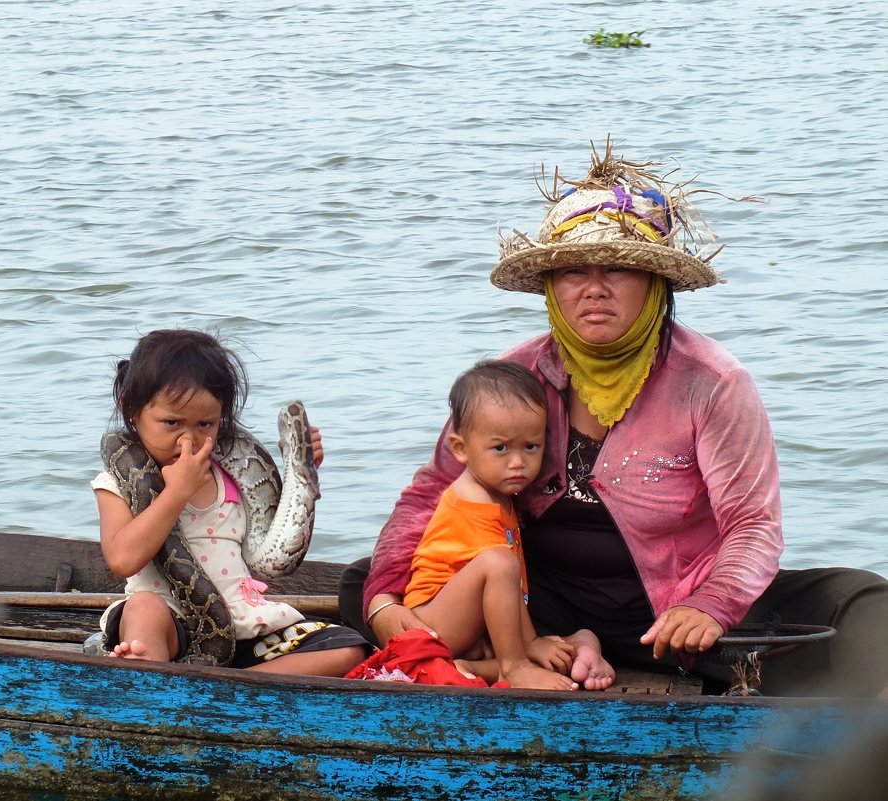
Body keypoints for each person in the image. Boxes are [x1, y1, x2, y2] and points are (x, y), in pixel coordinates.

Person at [340, 140, 888, 696]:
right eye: (574, 271)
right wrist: (384, 599)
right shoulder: (517, 374)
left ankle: (576, 652)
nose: (594, 289)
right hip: (536, 599)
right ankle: (554, 647)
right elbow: (432, 494)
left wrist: (711, 606)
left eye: (618, 270)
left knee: (861, 599)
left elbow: (753, 525)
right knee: (361, 578)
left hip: (671, 612)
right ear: (551, 289)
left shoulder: (713, 383)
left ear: (656, 286)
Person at [94, 328, 369, 674]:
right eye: (171, 422)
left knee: (350, 649)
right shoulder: (115, 483)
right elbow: (123, 559)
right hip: (170, 622)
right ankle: (160, 674)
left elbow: (268, 549)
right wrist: (176, 492)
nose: (188, 438)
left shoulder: (230, 479)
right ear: (131, 411)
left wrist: (298, 466)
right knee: (143, 610)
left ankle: (225, 685)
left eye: (205, 423)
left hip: (242, 623)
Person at [399, 359, 614, 691]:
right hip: (433, 622)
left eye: (531, 447)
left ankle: (473, 666)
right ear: (460, 448)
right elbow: (502, 572)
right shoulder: (475, 502)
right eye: (500, 448)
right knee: (499, 561)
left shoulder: (497, 490)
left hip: (464, 620)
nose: (518, 463)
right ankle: (514, 668)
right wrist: (528, 646)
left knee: (581, 635)